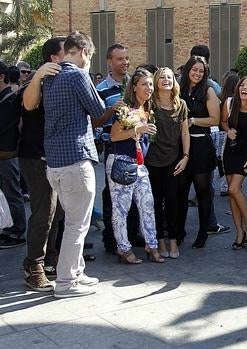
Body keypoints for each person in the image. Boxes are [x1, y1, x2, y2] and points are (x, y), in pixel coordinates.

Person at [41, 31, 104, 298]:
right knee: (77, 226)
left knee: (73, 222)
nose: (88, 62)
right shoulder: (78, 74)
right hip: (75, 161)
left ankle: (77, 273)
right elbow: (99, 110)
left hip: (54, 163)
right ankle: (66, 283)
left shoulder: (49, 77)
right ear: (82, 52)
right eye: (88, 57)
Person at [19, 37, 66, 290]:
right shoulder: (37, 82)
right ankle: (32, 265)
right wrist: (37, 76)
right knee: (45, 210)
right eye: (65, 53)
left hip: (57, 156)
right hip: (35, 157)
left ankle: (50, 258)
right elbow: (28, 104)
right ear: (53, 59)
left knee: (58, 211)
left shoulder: (65, 80)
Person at [107, 68, 164, 264]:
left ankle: (151, 243)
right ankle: (123, 248)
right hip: (121, 161)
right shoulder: (125, 108)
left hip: (139, 164)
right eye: (144, 84)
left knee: (147, 204)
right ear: (134, 87)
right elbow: (114, 136)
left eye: (150, 84)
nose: (149, 88)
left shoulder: (147, 109)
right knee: (121, 209)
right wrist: (138, 129)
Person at [96, 43, 139, 255]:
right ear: (109, 61)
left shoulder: (136, 84)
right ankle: (112, 239)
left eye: (127, 58)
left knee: (135, 192)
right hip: (113, 148)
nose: (125, 63)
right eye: (120, 59)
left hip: (137, 147)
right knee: (113, 195)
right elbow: (94, 121)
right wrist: (110, 111)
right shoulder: (100, 89)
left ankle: (132, 234)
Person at [146, 67, 190, 258]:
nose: (166, 80)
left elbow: (185, 132)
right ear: (156, 81)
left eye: (170, 77)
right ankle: (159, 242)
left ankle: (173, 240)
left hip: (174, 160)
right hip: (152, 160)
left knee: (173, 202)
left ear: (175, 81)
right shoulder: (149, 104)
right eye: (162, 77)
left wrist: (186, 156)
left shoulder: (181, 104)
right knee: (155, 203)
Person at [178, 56, 220, 250]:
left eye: (201, 71)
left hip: (201, 145)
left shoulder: (208, 90)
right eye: (194, 70)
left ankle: (203, 232)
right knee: (180, 192)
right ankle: (179, 231)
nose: (197, 73)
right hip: (179, 146)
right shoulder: (179, 89)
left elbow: (215, 119)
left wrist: (193, 121)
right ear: (188, 70)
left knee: (202, 192)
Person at [221, 76, 247, 250]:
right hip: (230, 150)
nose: (244, 88)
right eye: (242, 85)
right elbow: (223, 122)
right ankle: (239, 232)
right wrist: (227, 130)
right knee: (232, 192)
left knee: (233, 189)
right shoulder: (229, 103)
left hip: (246, 151)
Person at [0, 61, 27, 249]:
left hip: (8, 155)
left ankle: (18, 231)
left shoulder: (9, 98)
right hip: (6, 153)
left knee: (12, 193)